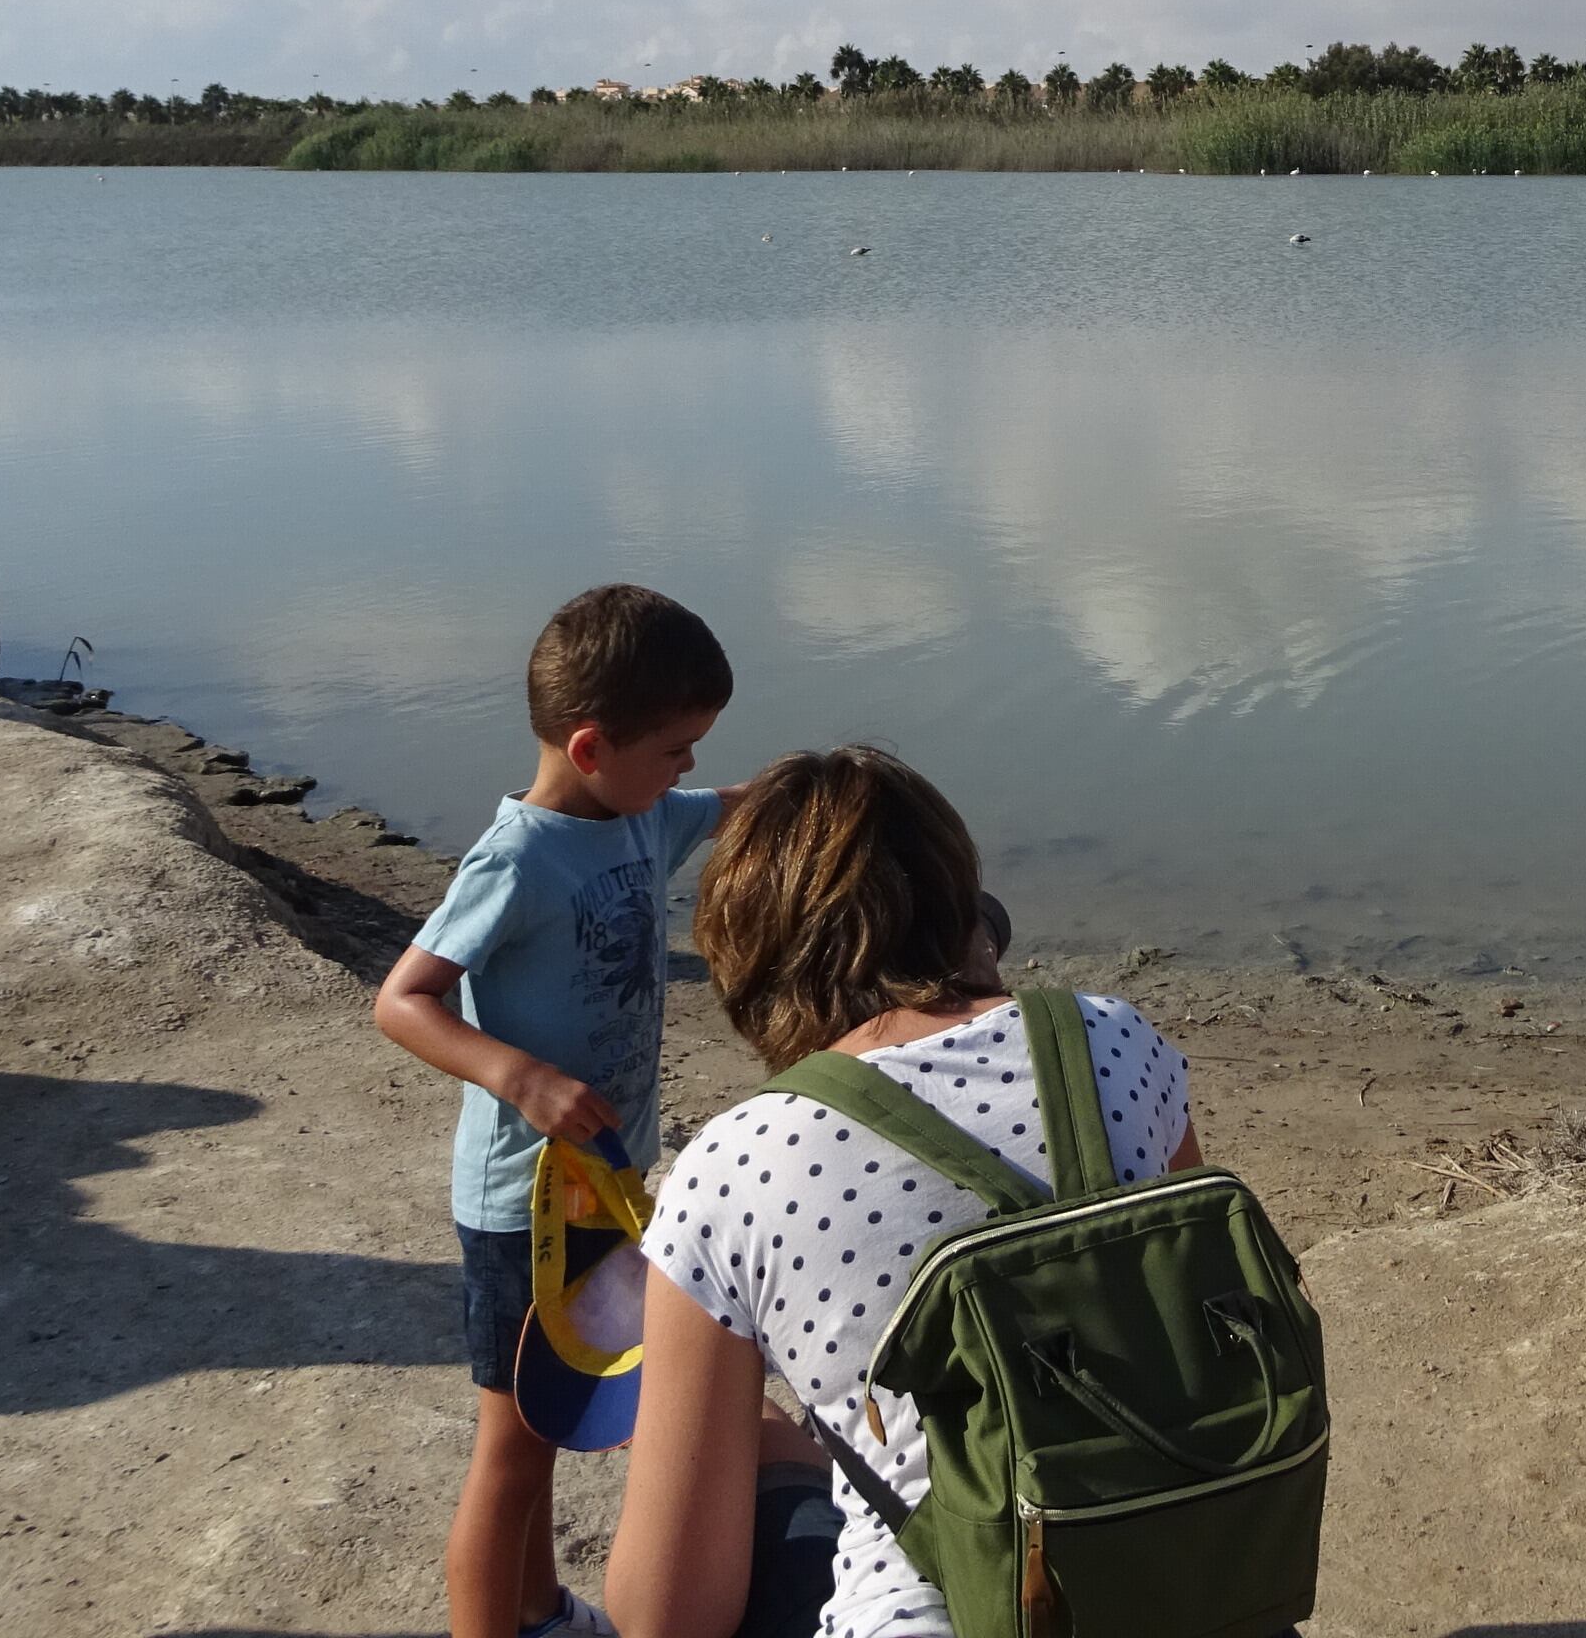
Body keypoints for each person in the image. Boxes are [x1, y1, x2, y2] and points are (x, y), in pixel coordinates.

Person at [604, 747, 1199, 1638]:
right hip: (1184, 1577)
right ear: (962, 908)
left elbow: (668, 1616)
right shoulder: (1115, 1041)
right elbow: (1191, 1306)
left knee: (771, 1464)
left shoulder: (734, 1167)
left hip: (940, 1615)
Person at [376, 584, 740, 1638]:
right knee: (512, 1447)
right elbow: (403, 1000)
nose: (685, 772)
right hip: (520, 1206)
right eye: (674, 749)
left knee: (550, 1421)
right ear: (590, 748)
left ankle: (534, 1611)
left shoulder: (642, 817)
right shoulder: (518, 859)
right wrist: (516, 1076)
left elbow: (732, 804)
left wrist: (829, 786)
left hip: (605, 1190)